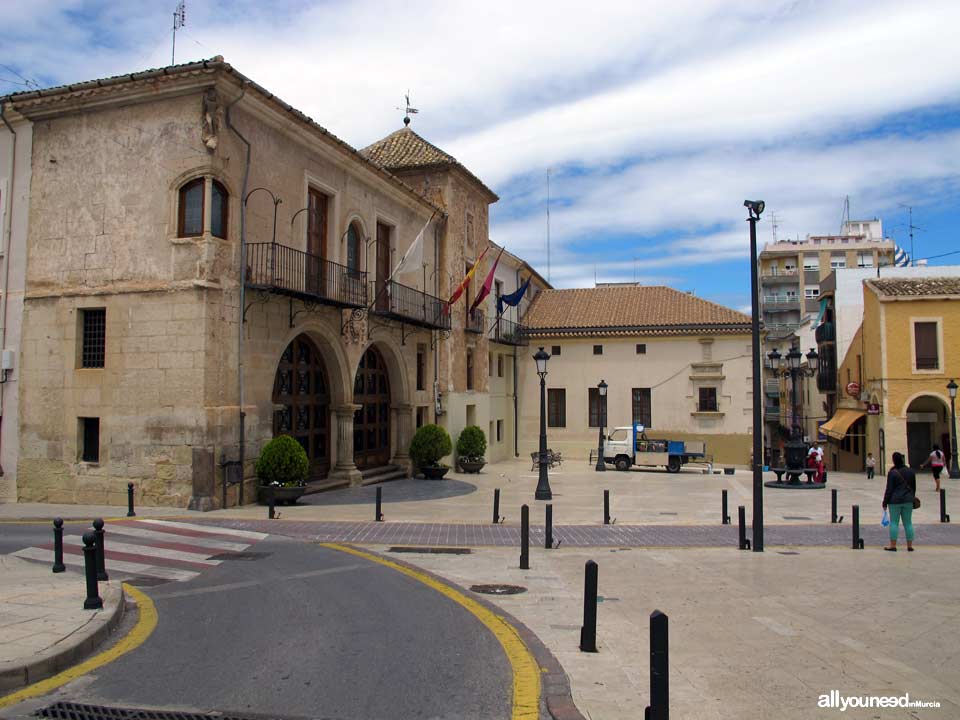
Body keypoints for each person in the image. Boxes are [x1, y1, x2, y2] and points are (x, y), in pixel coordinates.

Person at [883, 452, 916, 552]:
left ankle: (893, 546)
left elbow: (889, 489)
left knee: (894, 523)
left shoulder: (892, 472)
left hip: (894, 501)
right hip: (908, 500)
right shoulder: (911, 471)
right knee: (908, 523)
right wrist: (911, 497)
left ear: (893, 460)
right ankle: (909, 546)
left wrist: (885, 502)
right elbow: (914, 487)